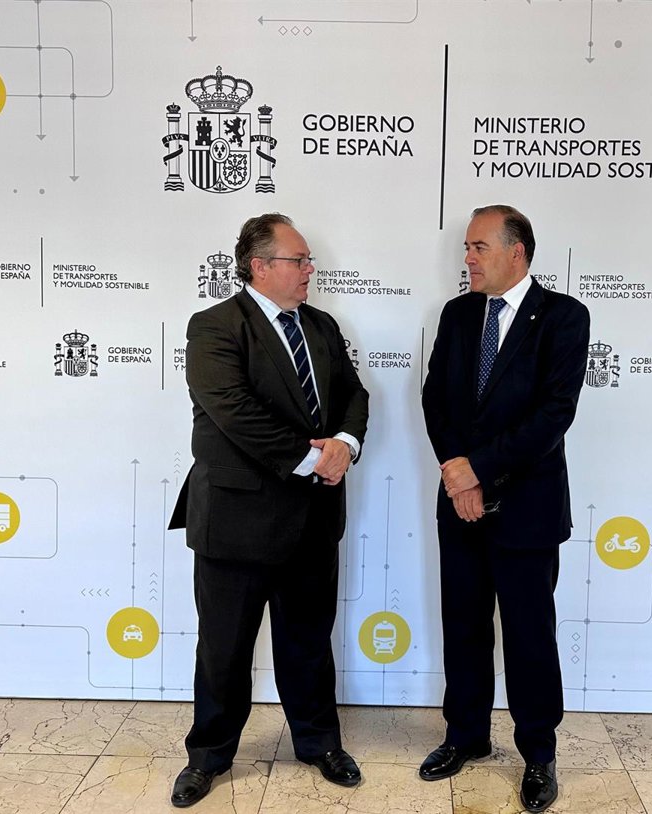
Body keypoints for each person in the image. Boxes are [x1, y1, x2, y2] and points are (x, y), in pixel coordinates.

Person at [167, 213, 370, 807]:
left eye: (308, 261)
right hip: (236, 521)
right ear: (259, 266)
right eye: (298, 260)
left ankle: (319, 743)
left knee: (308, 643)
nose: (309, 270)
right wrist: (315, 459)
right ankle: (208, 757)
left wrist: (346, 443)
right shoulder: (214, 327)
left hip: (312, 518)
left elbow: (353, 393)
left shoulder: (322, 326)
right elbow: (234, 411)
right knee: (224, 649)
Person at [419, 205, 590, 813]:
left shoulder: (564, 317)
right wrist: (456, 473)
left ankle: (538, 753)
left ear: (517, 252)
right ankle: (465, 736)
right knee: (463, 627)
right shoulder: (458, 314)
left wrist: (479, 469)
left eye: (478, 247)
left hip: (527, 508)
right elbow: (436, 399)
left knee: (528, 637)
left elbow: (553, 415)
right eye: (466, 248)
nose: (467, 258)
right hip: (459, 502)